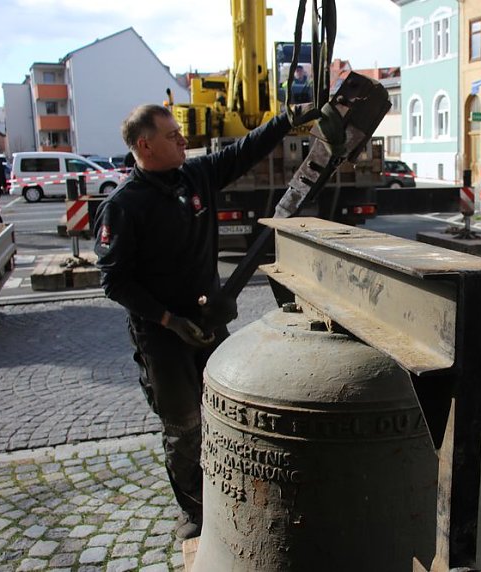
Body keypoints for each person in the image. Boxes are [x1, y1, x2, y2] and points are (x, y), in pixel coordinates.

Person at [93, 102, 325, 540]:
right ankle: (196, 512)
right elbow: (115, 282)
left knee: (225, 411)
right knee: (183, 426)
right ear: (144, 145)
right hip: (162, 337)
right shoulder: (124, 206)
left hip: (210, 324)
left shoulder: (194, 177)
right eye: (171, 135)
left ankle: (231, 491)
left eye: (180, 133)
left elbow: (243, 151)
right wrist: (168, 319)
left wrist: (285, 119)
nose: (183, 140)